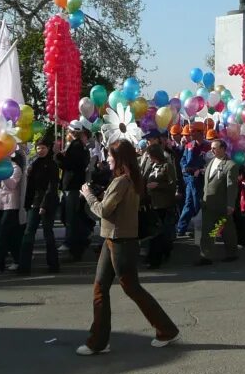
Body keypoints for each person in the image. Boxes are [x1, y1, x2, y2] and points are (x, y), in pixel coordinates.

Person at [77, 139, 180, 355]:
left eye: (111, 157)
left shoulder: (123, 181)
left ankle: (166, 329)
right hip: (113, 238)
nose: (108, 160)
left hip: (121, 240)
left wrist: (88, 195)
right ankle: (98, 340)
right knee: (101, 288)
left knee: (131, 288)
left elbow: (104, 210)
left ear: (120, 159)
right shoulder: (129, 179)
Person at [20, 136, 61, 274]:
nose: (40, 150)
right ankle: (24, 266)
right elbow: (30, 187)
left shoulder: (52, 165)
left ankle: (53, 264)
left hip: (47, 203)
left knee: (47, 233)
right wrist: (28, 203)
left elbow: (52, 186)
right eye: (38, 148)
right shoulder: (35, 164)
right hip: (34, 202)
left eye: (43, 148)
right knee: (28, 233)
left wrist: (44, 205)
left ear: (48, 149)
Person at [139, 132, 180, 268]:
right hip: (153, 203)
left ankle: (157, 257)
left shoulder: (167, 166)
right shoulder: (153, 166)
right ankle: (154, 254)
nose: (149, 158)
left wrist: (158, 185)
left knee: (160, 233)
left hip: (163, 203)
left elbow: (172, 183)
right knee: (153, 232)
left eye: (151, 156)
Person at [199, 139, 240, 264]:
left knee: (226, 230)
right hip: (209, 203)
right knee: (208, 230)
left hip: (222, 205)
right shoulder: (211, 162)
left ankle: (232, 252)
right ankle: (205, 255)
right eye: (211, 148)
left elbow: (231, 186)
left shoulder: (230, 165)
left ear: (223, 149)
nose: (212, 150)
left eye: (215, 148)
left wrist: (230, 204)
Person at [57, 126, 92, 261]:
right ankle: (81, 237)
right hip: (71, 185)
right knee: (70, 215)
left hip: (72, 185)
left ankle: (73, 241)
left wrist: (58, 156)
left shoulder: (76, 146)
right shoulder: (76, 146)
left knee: (71, 215)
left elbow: (71, 165)